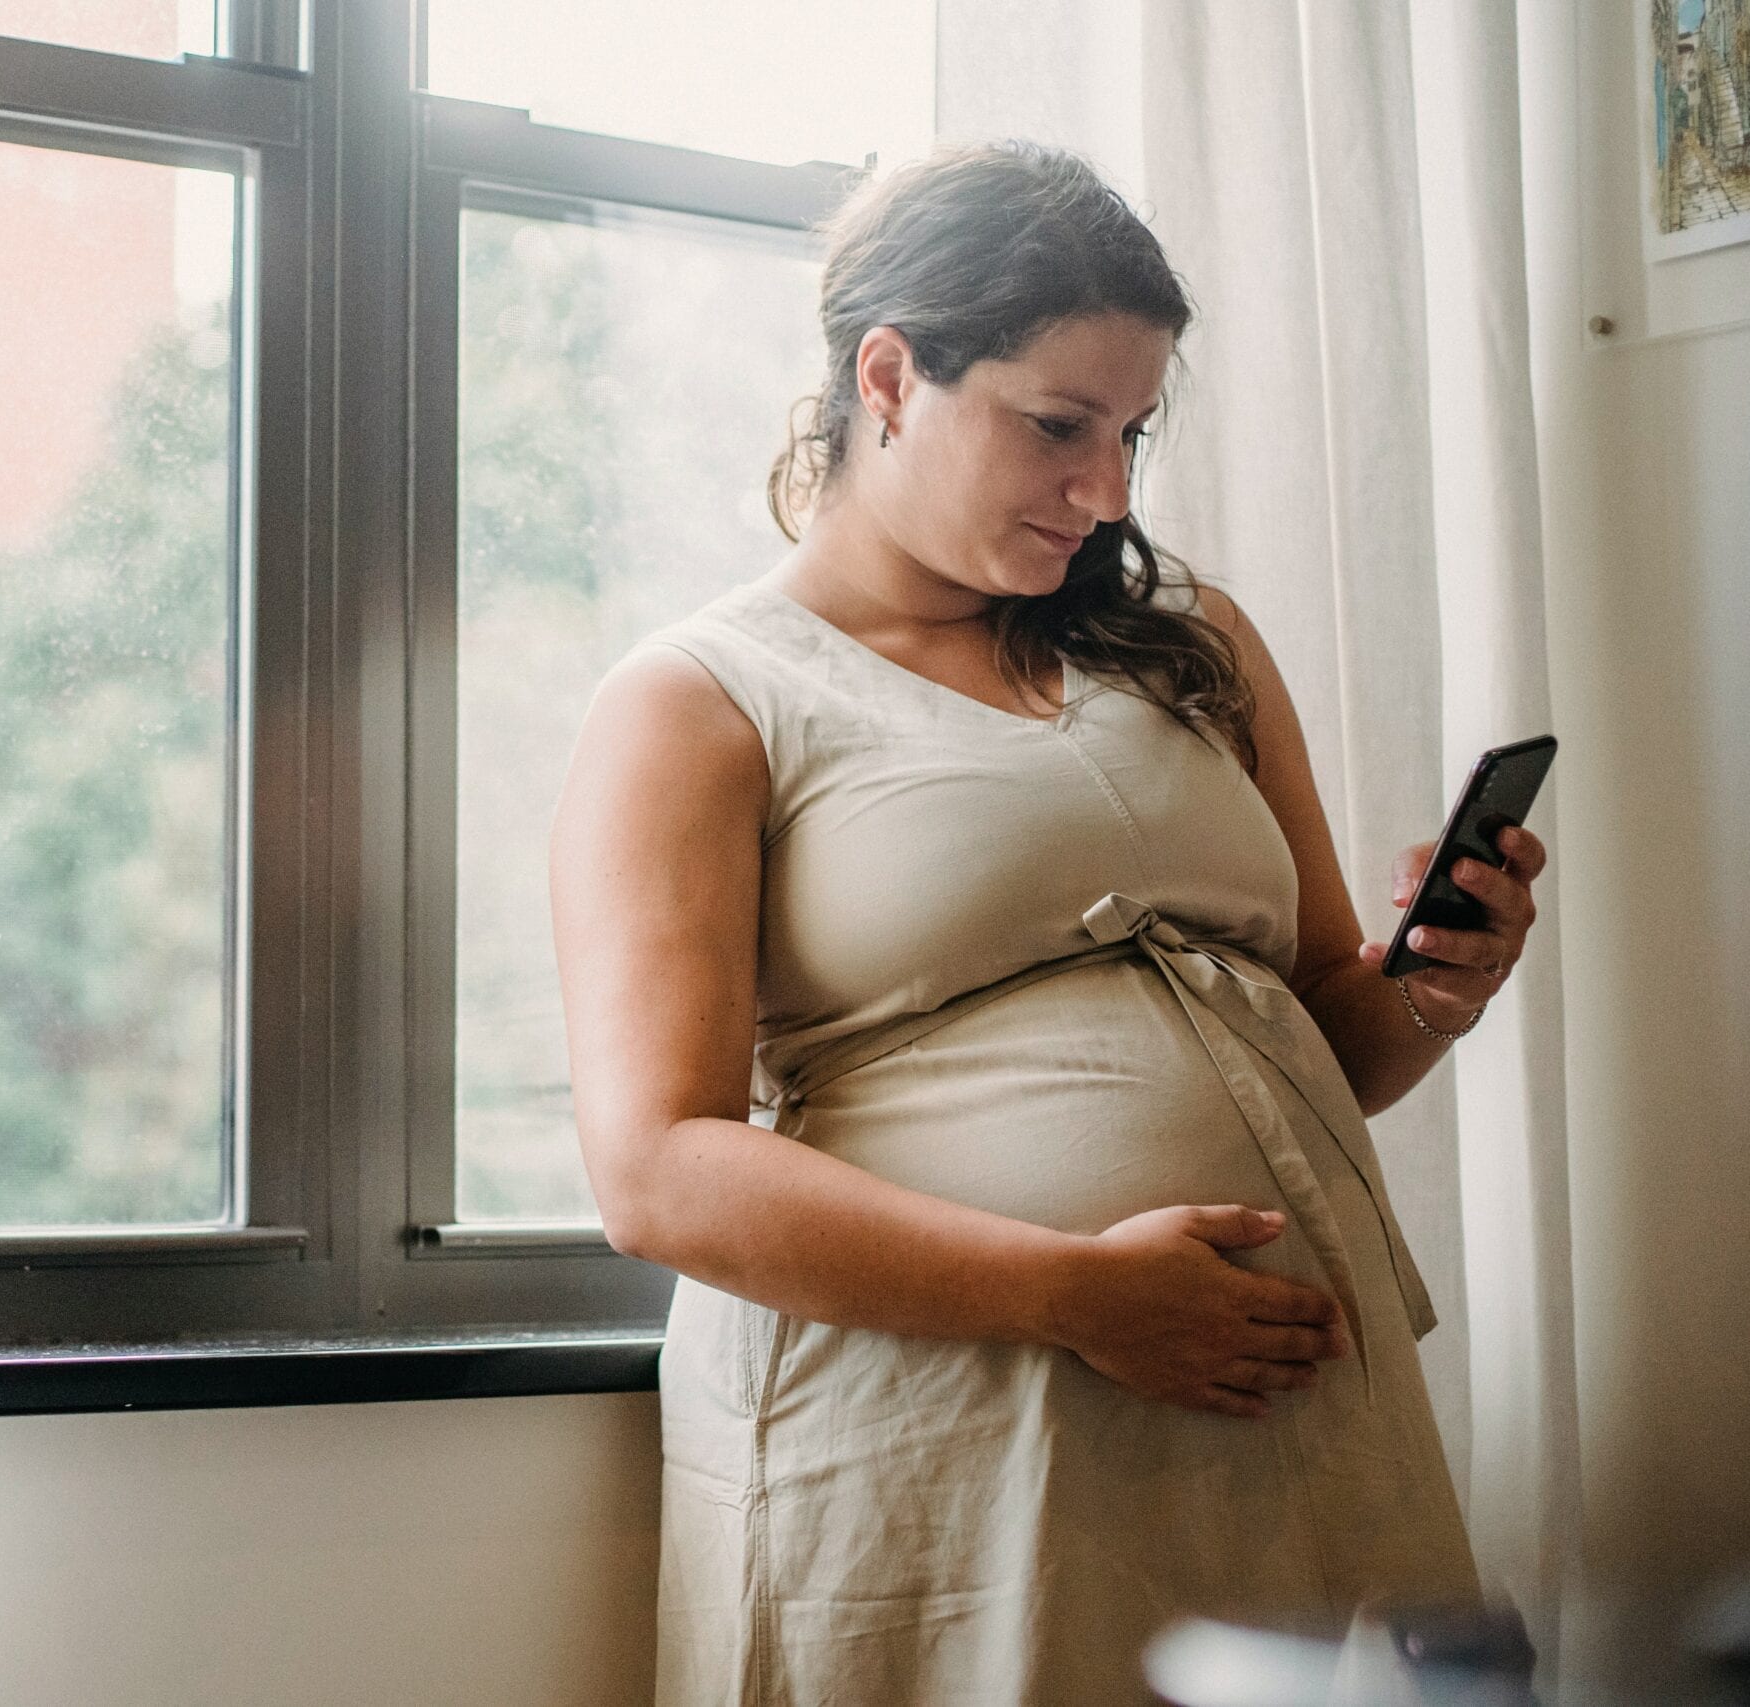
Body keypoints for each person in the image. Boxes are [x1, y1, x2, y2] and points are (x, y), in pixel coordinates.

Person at [547, 142, 1548, 1705]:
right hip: (945, 1414)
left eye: (1134, 433)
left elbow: (1324, 1043)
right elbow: (656, 1172)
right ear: (888, 376)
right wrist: (1074, 1292)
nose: (1108, 492)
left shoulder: (1192, 642)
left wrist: (1436, 988)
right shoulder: (700, 702)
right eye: (1057, 426)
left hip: (1280, 1403)